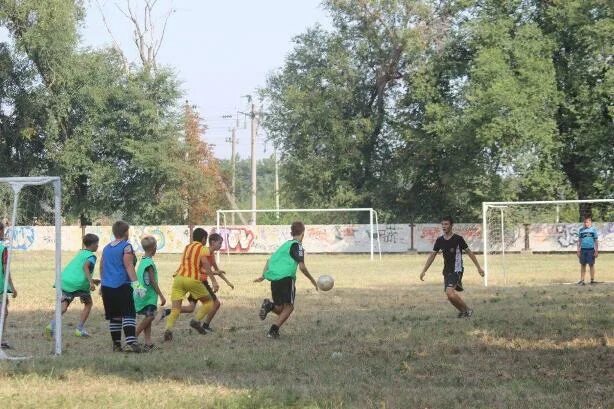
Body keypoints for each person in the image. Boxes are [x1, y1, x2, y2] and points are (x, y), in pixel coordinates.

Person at [255, 221, 318, 339]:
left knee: (280, 309)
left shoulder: (284, 245)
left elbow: (269, 261)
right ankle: (273, 331)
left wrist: (263, 276)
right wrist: (312, 280)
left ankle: (269, 305)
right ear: (303, 233)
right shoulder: (297, 245)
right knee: (289, 307)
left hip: (275, 279)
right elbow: (302, 267)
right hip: (286, 278)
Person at [420, 216, 484, 318]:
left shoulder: (458, 239)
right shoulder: (440, 240)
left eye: (446, 224)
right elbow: (432, 255)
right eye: (442, 224)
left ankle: (468, 310)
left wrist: (479, 268)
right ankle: (463, 312)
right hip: (446, 271)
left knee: (449, 292)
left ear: (451, 225)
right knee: (449, 295)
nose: (444, 226)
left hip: (457, 269)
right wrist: (424, 270)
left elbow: (470, 253)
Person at [163, 228, 220, 341]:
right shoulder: (202, 248)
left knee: (176, 309)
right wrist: (214, 280)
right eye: (205, 238)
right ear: (203, 239)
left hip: (178, 278)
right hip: (192, 279)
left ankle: (168, 329)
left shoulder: (187, 247)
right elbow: (205, 263)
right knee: (209, 302)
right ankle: (196, 321)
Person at [100, 221, 146, 352]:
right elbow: (129, 266)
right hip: (121, 286)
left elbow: (102, 266)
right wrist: (137, 284)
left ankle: (116, 344)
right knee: (128, 314)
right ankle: (132, 342)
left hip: (107, 287)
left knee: (115, 316)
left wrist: (102, 282)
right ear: (126, 232)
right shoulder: (126, 247)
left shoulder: (106, 247)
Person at [46, 234, 99, 338]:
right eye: (97, 244)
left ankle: (51, 325)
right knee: (88, 304)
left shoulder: (81, 253)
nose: (98, 246)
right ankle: (79, 329)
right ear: (92, 244)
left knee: (64, 306)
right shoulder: (91, 256)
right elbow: (85, 267)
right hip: (79, 285)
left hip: (66, 281)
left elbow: (78, 270)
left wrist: (92, 279)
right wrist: (91, 283)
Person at [134, 236, 165, 351]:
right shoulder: (149, 263)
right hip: (148, 296)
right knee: (150, 316)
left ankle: (148, 342)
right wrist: (161, 296)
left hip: (143, 295)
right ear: (153, 248)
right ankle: (133, 337)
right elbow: (152, 281)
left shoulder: (143, 260)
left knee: (148, 317)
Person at [0, 222, 17, 349]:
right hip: (1, 287)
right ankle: (1, 339)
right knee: (3, 312)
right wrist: (12, 286)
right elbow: (6, 270)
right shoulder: (2, 249)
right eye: (3, 230)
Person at [577, 216, 599, 285]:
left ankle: (592, 280)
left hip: (591, 250)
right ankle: (582, 280)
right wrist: (578, 250)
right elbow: (579, 241)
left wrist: (596, 250)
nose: (586, 223)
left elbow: (596, 241)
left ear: (590, 222)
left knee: (591, 265)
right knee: (583, 265)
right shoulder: (581, 230)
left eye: (587, 222)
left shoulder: (593, 230)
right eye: (585, 222)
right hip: (583, 250)